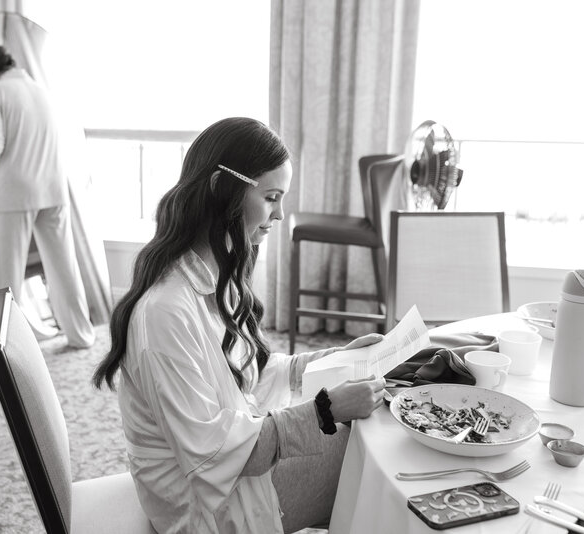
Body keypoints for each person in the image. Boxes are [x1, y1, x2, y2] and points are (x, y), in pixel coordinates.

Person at [92, 117, 386, 533]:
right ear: (220, 189)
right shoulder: (165, 314)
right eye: (270, 197)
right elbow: (215, 457)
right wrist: (327, 409)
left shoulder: (213, 272)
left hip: (231, 478)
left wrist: (329, 358)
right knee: (369, 451)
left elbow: (248, 373)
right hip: (206, 508)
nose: (281, 214)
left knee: (371, 437)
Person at [0, 45, 95, 362]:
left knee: (6, 275)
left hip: (17, 192)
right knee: (64, 267)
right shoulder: (40, 90)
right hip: (52, 188)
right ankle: (81, 334)